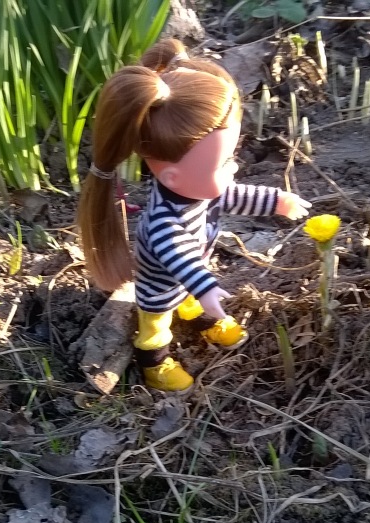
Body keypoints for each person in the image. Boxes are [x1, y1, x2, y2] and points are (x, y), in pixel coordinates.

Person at [78, 38, 311, 393]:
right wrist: (205, 286)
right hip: (161, 287)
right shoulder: (161, 224)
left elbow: (234, 196)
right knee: (156, 325)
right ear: (171, 176)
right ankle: (154, 365)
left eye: (232, 154)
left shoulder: (199, 192)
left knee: (192, 298)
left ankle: (199, 313)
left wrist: (277, 201)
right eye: (224, 162)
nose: (236, 166)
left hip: (190, 277)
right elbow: (180, 256)